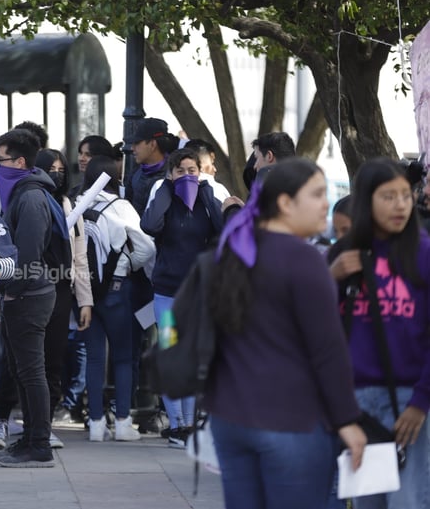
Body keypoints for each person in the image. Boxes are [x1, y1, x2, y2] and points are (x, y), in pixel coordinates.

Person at [205, 158, 366, 509]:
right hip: (289, 419)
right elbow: (327, 349)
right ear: (285, 203)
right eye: (317, 194)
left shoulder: (232, 249)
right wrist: (347, 420)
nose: (326, 204)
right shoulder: (304, 259)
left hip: (229, 420)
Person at [329, 158, 430, 509]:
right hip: (356, 407)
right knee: (368, 504)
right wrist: (332, 278)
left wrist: (421, 402)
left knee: (408, 503)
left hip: (409, 404)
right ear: (365, 200)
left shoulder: (423, 252)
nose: (400, 204)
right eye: (388, 196)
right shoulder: (342, 255)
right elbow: (310, 325)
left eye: (405, 195)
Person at [142, 147, 223, 446]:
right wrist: (168, 186)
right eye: (180, 171)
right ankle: (176, 424)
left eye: (192, 171)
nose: (187, 176)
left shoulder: (206, 198)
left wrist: (203, 191)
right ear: (170, 173)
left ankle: (190, 424)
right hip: (166, 292)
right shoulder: (164, 198)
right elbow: (149, 225)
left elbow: (223, 225)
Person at [0, 128, 57, 468]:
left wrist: (10, 292)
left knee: (32, 373)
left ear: (19, 162)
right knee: (20, 371)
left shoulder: (30, 197)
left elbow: (28, 256)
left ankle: (40, 444)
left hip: (29, 295)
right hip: (20, 294)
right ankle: (30, 438)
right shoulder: (22, 193)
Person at [79, 156, 154, 442]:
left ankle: (96, 423)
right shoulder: (121, 207)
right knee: (123, 358)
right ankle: (122, 422)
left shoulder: (79, 204)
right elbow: (146, 248)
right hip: (116, 292)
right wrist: (129, 263)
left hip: (85, 292)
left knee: (94, 359)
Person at [33, 148, 94, 447]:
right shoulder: (27, 200)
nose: (55, 174)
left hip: (61, 291)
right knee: (27, 361)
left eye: (60, 169)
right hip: (30, 288)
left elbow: (80, 259)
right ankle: (19, 422)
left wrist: (85, 301)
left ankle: (44, 424)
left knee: (53, 360)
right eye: (49, 169)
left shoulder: (72, 207)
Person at [124, 117, 178, 213]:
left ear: (152, 144)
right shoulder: (135, 174)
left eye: (137, 143)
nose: (132, 148)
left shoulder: (176, 174)